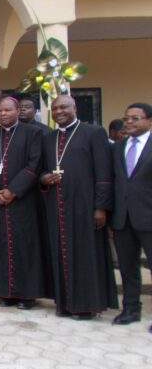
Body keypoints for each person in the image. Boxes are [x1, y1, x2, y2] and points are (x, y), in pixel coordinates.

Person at [39, 96, 117, 320]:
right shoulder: (49, 137)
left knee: (85, 255)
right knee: (61, 252)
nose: (59, 111)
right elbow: (43, 169)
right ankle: (64, 303)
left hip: (85, 205)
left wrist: (100, 207)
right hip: (58, 205)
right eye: (55, 108)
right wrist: (44, 178)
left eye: (64, 107)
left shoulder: (93, 132)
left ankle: (86, 305)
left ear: (75, 108)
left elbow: (104, 173)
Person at [0, 96, 45, 309]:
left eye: (7, 110)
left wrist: (13, 191)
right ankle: (6, 291)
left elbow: (34, 164)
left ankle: (26, 294)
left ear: (17, 111)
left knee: (24, 246)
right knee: (0, 245)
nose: (3, 114)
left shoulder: (32, 133)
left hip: (22, 201)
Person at [111, 102, 152, 330]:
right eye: (127, 118)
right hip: (122, 217)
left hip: (148, 216)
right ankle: (130, 309)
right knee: (128, 267)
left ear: (149, 121)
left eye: (136, 118)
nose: (129, 122)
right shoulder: (118, 147)